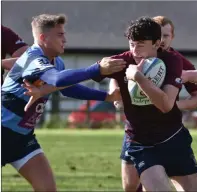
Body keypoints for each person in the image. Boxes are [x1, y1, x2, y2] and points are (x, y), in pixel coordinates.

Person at [1, 13, 125, 191]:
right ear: (43, 38)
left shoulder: (56, 62)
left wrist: (107, 97)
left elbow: (67, 87)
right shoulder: (33, 59)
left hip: (22, 139)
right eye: (60, 35)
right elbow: (58, 80)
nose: (65, 39)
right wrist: (96, 69)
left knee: (48, 189)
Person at [97, 16, 197, 191]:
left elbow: (167, 105)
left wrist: (138, 77)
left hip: (173, 138)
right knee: (132, 187)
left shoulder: (173, 60)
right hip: (141, 142)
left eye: (140, 45)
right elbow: (91, 73)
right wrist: (113, 87)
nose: (135, 51)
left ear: (156, 43)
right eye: (132, 44)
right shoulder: (125, 60)